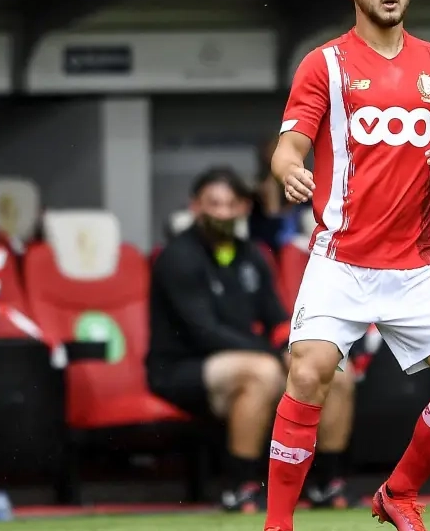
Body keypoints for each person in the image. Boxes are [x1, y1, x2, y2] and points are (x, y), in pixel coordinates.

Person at [266, 0, 430, 531]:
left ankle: (398, 492)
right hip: (341, 259)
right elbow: (289, 146)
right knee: (308, 371)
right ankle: (277, 525)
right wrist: (291, 170)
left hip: (416, 265)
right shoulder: (325, 64)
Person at [146, 167, 357, 512]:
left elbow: (276, 318)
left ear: (244, 208)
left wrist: (293, 350)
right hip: (181, 368)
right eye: (214, 204)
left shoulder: (252, 254)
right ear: (196, 206)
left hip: (246, 357)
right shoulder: (178, 257)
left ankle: (327, 485)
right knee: (263, 373)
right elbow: (204, 332)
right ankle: (240, 487)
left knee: (334, 373)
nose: (223, 212)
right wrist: (275, 355)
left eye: (232, 204)